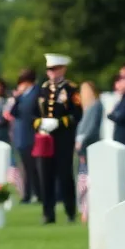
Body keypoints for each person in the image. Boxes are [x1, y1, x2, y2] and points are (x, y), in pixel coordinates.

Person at [35, 53, 82, 224]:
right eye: (49, 70)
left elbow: (77, 114)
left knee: (64, 174)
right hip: (46, 137)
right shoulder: (43, 88)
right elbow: (34, 113)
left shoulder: (70, 89)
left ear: (63, 69)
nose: (51, 73)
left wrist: (60, 122)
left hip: (63, 138)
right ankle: (48, 213)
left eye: (55, 69)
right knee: (45, 175)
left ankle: (70, 211)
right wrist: (40, 123)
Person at [10, 69, 40, 203]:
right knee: (26, 167)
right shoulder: (21, 97)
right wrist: (16, 99)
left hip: (32, 134)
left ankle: (38, 193)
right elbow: (14, 113)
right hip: (21, 136)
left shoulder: (37, 93)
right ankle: (27, 194)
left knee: (34, 167)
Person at [107, 73, 125, 189]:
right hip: (119, 133)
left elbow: (121, 116)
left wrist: (114, 116)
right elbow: (111, 114)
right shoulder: (122, 98)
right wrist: (114, 115)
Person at [74, 82, 103, 159]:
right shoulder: (86, 106)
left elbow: (92, 125)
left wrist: (82, 139)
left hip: (90, 141)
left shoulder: (96, 104)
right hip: (83, 142)